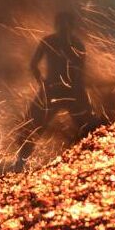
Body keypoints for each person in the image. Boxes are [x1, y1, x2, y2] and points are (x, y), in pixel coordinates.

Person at [17, 12, 95, 164]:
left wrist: (80, 95)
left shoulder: (73, 43)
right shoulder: (58, 42)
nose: (64, 27)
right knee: (33, 125)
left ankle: (93, 158)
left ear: (71, 26)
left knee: (85, 126)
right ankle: (20, 161)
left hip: (66, 91)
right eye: (62, 24)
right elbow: (33, 65)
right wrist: (42, 82)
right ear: (58, 25)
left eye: (66, 24)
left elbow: (79, 73)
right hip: (54, 90)